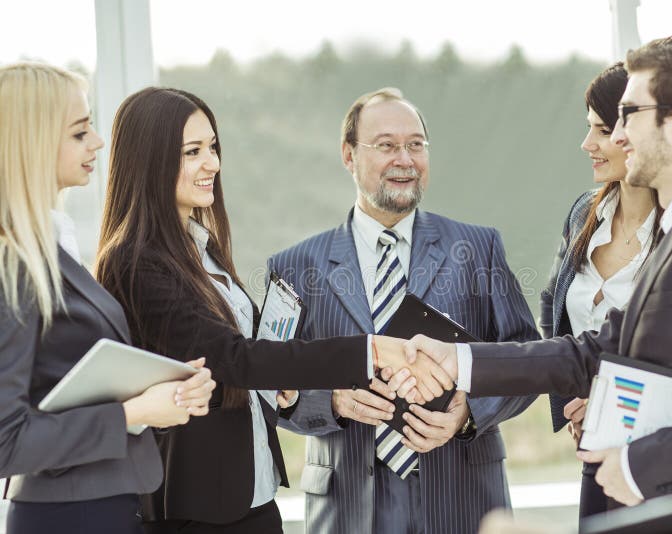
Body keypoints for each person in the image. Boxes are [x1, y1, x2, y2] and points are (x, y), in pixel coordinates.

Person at [404, 36, 672, 508]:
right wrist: (461, 361)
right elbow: (600, 349)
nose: (618, 135)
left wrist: (640, 466)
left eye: (629, 113)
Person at [94, 87, 448, 534]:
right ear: (148, 159)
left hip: (251, 494)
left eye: (213, 147)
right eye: (193, 152)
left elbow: (257, 351)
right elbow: (236, 359)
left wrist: (289, 388)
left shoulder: (200, 248)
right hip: (196, 509)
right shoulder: (137, 261)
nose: (213, 164)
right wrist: (372, 351)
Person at [269, 87, 540, 533]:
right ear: (348, 155)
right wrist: (332, 401)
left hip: (462, 496)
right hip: (349, 507)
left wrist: (468, 412)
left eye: (416, 145)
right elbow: (271, 387)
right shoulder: (297, 267)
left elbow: (526, 356)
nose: (405, 159)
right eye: (387, 145)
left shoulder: (477, 248)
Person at [0, 63, 215, 534]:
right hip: (70, 515)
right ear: (33, 144)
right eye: (80, 133)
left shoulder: (53, 248)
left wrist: (165, 394)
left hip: (107, 505)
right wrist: (136, 412)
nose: (97, 142)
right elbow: (6, 442)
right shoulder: (12, 265)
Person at [541, 62, 660, 521]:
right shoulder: (583, 214)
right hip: (592, 442)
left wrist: (615, 406)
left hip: (652, 453)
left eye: (602, 130)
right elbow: (554, 306)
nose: (586, 144)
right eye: (587, 127)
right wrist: (573, 404)